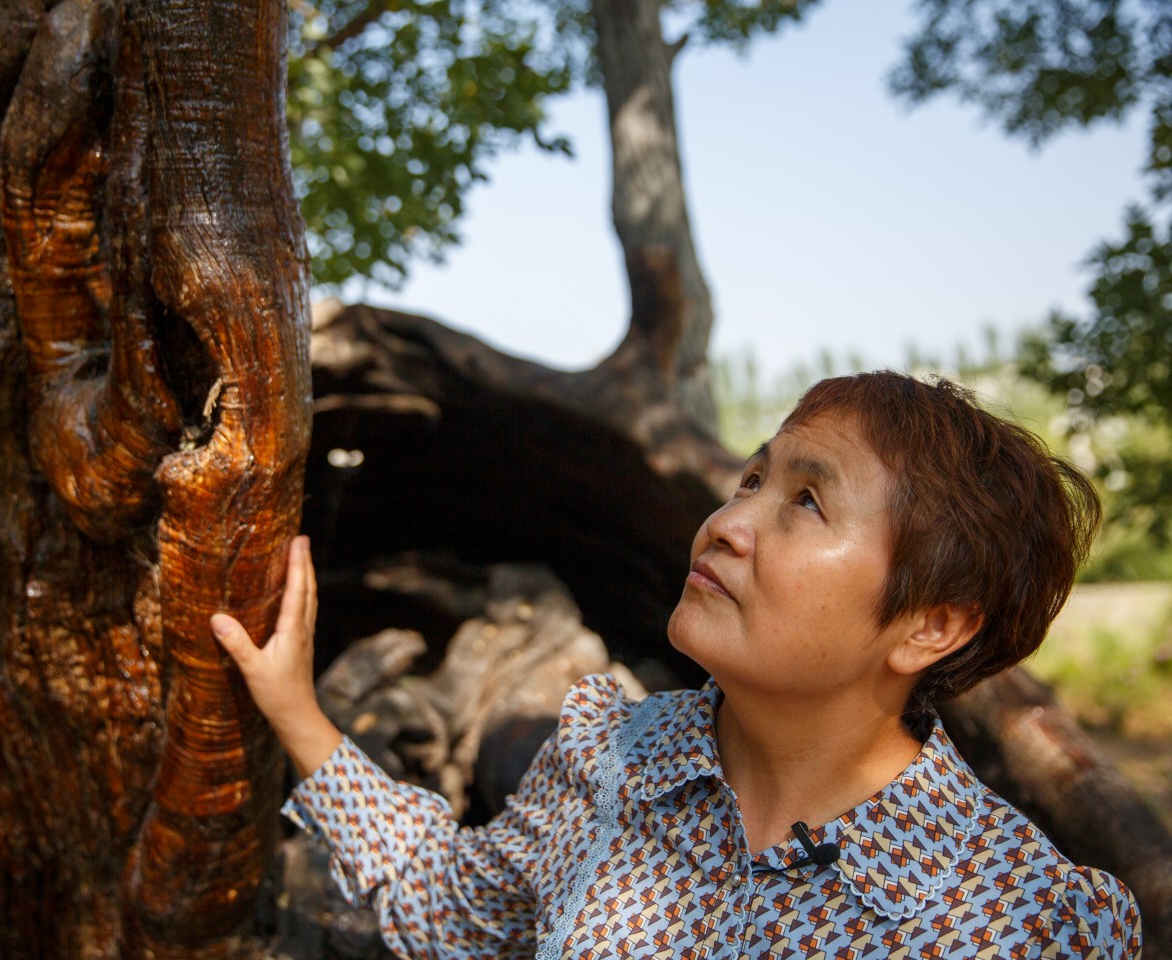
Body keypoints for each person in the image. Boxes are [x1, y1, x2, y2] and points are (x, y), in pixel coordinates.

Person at [213, 371, 1142, 959]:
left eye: (808, 502)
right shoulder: (608, 758)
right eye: (752, 478)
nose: (728, 523)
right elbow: (454, 911)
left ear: (931, 625)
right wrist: (297, 710)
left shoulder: (1021, 921)